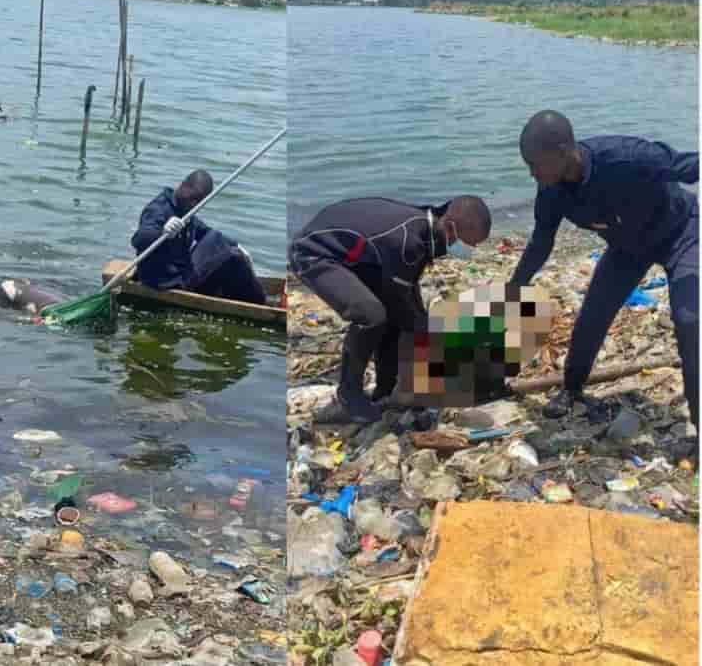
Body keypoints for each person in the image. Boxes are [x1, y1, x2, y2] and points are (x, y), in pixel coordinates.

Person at [509, 110, 699, 442]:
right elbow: (541, 243)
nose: (532, 173)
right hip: (627, 248)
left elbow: (690, 165)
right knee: (592, 315)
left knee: (689, 319)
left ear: (565, 150)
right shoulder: (551, 191)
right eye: (528, 165)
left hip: (681, 234)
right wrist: (514, 287)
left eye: (537, 164)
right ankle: (571, 390)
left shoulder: (627, 157)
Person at [289, 195, 492, 424]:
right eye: (469, 244)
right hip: (315, 253)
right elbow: (406, 313)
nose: (469, 250)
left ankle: (386, 391)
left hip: (358, 257)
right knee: (371, 315)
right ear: (450, 227)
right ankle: (349, 398)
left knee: (396, 313)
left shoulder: (428, 232)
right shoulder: (407, 241)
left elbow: (406, 302)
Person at [131, 169, 266, 305]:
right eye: (192, 198)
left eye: (198, 201)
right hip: (166, 280)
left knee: (223, 244)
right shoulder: (158, 208)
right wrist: (163, 232)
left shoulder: (184, 209)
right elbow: (139, 239)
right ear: (182, 185)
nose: (193, 204)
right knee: (232, 256)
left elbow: (204, 230)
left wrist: (238, 246)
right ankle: (261, 305)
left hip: (181, 270)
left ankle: (244, 296)